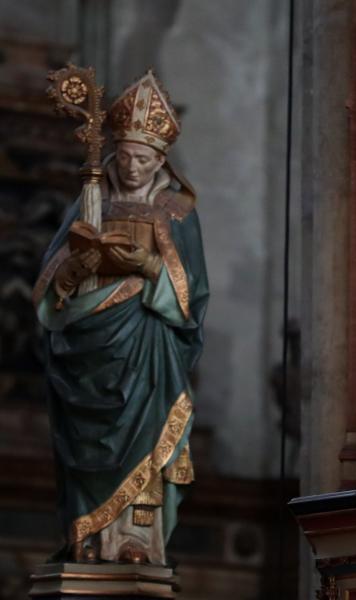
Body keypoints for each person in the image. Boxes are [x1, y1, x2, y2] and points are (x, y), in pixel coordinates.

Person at [33, 71, 208, 564]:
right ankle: (88, 537)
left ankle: (135, 538)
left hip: (147, 345)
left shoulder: (176, 212)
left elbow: (195, 296)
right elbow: (49, 286)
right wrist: (76, 269)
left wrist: (149, 267)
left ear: (162, 160)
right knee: (88, 442)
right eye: (127, 156)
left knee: (145, 434)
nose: (133, 167)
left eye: (145, 159)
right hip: (90, 347)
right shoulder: (91, 202)